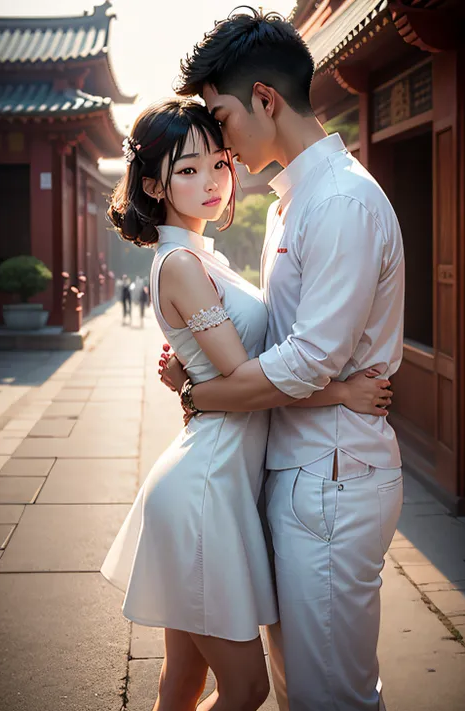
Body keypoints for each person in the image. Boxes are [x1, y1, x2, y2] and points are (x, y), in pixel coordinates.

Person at [100, 98, 393, 711]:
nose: (210, 182)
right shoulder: (181, 262)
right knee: (247, 687)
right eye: (187, 170)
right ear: (153, 184)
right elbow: (243, 376)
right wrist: (342, 390)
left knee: (183, 677)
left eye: (218, 163)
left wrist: (188, 382)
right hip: (206, 487)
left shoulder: (204, 257)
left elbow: (225, 373)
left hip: (219, 478)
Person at [160, 8, 405, 711]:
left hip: (331, 477)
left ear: (265, 98)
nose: (222, 141)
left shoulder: (341, 203)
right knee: (305, 685)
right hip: (299, 470)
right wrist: (199, 367)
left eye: (223, 115)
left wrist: (204, 397)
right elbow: (289, 349)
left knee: (332, 694)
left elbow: (306, 362)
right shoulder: (292, 203)